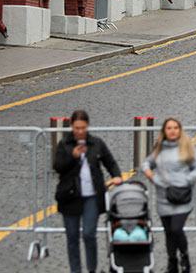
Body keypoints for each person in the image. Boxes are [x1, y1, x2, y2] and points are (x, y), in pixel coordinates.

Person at [53, 110, 123, 273]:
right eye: (77, 128)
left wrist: (117, 175)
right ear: (71, 127)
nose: (79, 131)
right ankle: (75, 270)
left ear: (88, 126)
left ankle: (92, 269)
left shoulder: (96, 143)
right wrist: (73, 156)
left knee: (89, 234)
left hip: (92, 196)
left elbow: (110, 161)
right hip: (70, 197)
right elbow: (58, 167)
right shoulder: (65, 144)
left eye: (83, 128)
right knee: (72, 238)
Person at [142, 118, 196, 273]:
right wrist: (151, 176)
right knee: (168, 232)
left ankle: (185, 256)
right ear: (164, 131)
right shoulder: (159, 149)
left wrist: (186, 181)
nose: (173, 130)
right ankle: (172, 262)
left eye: (176, 127)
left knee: (176, 229)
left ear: (180, 129)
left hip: (182, 196)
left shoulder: (187, 147)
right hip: (163, 197)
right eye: (169, 128)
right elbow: (146, 163)